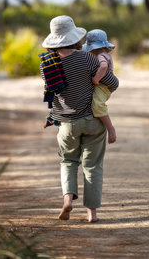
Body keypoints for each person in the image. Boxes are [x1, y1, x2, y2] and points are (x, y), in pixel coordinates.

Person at [40, 16, 119, 222]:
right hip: (93, 121)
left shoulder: (47, 64)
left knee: (68, 161)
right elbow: (113, 83)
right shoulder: (89, 60)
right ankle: (92, 213)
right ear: (75, 37)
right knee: (92, 166)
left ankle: (68, 199)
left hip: (66, 124)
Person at [83, 29, 117, 144]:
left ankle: (110, 128)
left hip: (104, 86)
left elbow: (103, 67)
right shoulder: (104, 53)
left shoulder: (100, 55)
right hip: (105, 85)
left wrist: (95, 79)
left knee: (97, 105)